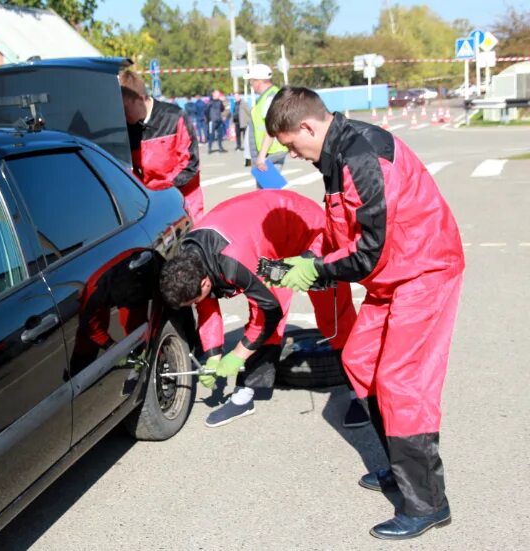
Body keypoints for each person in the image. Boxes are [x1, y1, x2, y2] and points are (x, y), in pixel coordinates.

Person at [266, 86, 465, 540]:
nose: (293, 155)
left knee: (400, 379)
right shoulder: (333, 155)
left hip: (423, 270)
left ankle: (428, 502)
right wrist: (310, 258)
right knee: (359, 362)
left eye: (292, 145)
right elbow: (344, 231)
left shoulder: (362, 158)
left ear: (308, 127)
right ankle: (401, 468)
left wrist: (317, 269)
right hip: (391, 275)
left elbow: (368, 252)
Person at [159, 190, 362, 428]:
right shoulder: (189, 259)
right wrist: (213, 357)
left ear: (205, 281)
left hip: (306, 229)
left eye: (194, 300)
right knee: (266, 317)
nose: (195, 305)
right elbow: (207, 307)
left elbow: (268, 313)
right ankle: (247, 394)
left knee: (335, 318)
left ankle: (361, 393)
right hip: (266, 245)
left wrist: (237, 356)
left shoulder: (233, 261)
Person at [119, 70, 204, 221]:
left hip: (184, 201)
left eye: (126, 109)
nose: (124, 115)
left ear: (140, 99)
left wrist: (163, 190)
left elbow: (191, 164)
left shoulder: (174, 117)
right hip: (153, 203)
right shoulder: (128, 128)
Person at [243, 64, 288, 172]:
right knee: (264, 188)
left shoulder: (270, 97)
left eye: (251, 81)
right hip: (269, 152)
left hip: (271, 153)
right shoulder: (267, 96)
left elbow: (271, 128)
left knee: (269, 188)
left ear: (258, 81)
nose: (251, 85)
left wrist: (262, 156)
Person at [205, 89, 226, 153]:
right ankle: (210, 148)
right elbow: (206, 111)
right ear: (213, 94)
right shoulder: (210, 102)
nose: (218, 95)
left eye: (219, 94)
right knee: (211, 135)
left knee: (220, 134)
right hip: (212, 121)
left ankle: (220, 147)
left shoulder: (220, 101)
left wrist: (222, 103)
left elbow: (222, 109)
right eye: (217, 94)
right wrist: (209, 119)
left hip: (219, 120)